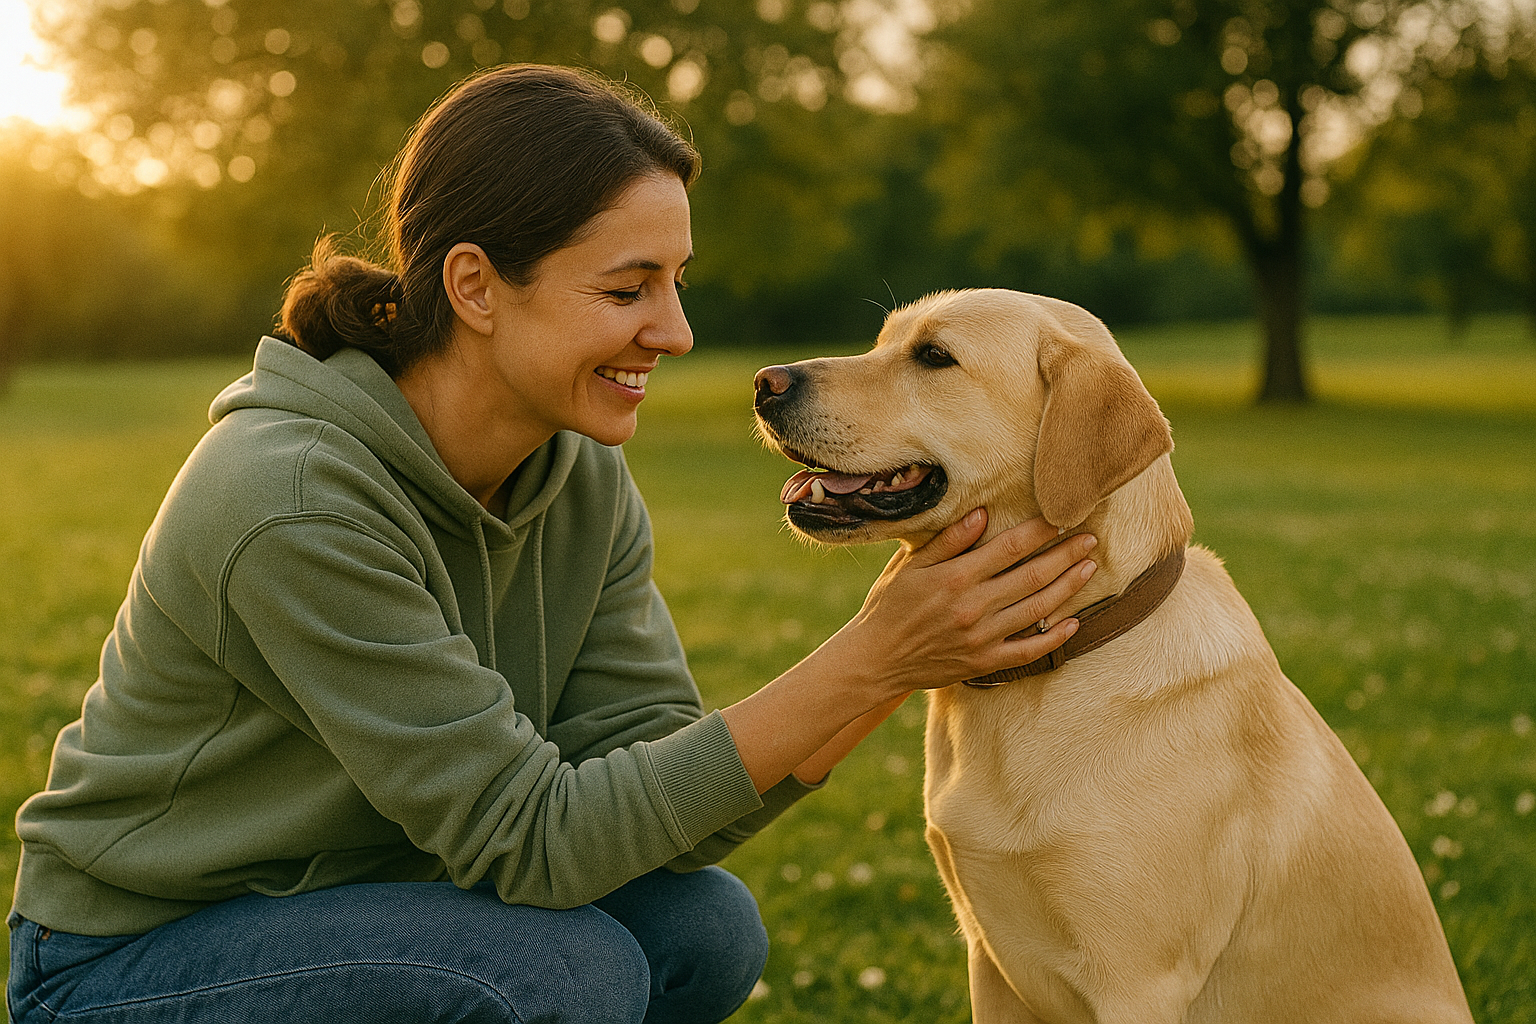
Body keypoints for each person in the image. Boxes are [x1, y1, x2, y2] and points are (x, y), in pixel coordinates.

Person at [6, 64, 1097, 1023]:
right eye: (627, 288)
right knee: (557, 973)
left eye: (676, 281)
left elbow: (662, 797)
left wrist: (909, 651)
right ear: (475, 285)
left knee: (701, 928)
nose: (674, 331)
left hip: (374, 898)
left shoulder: (576, 476)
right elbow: (534, 841)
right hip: (128, 962)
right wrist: (875, 656)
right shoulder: (292, 502)